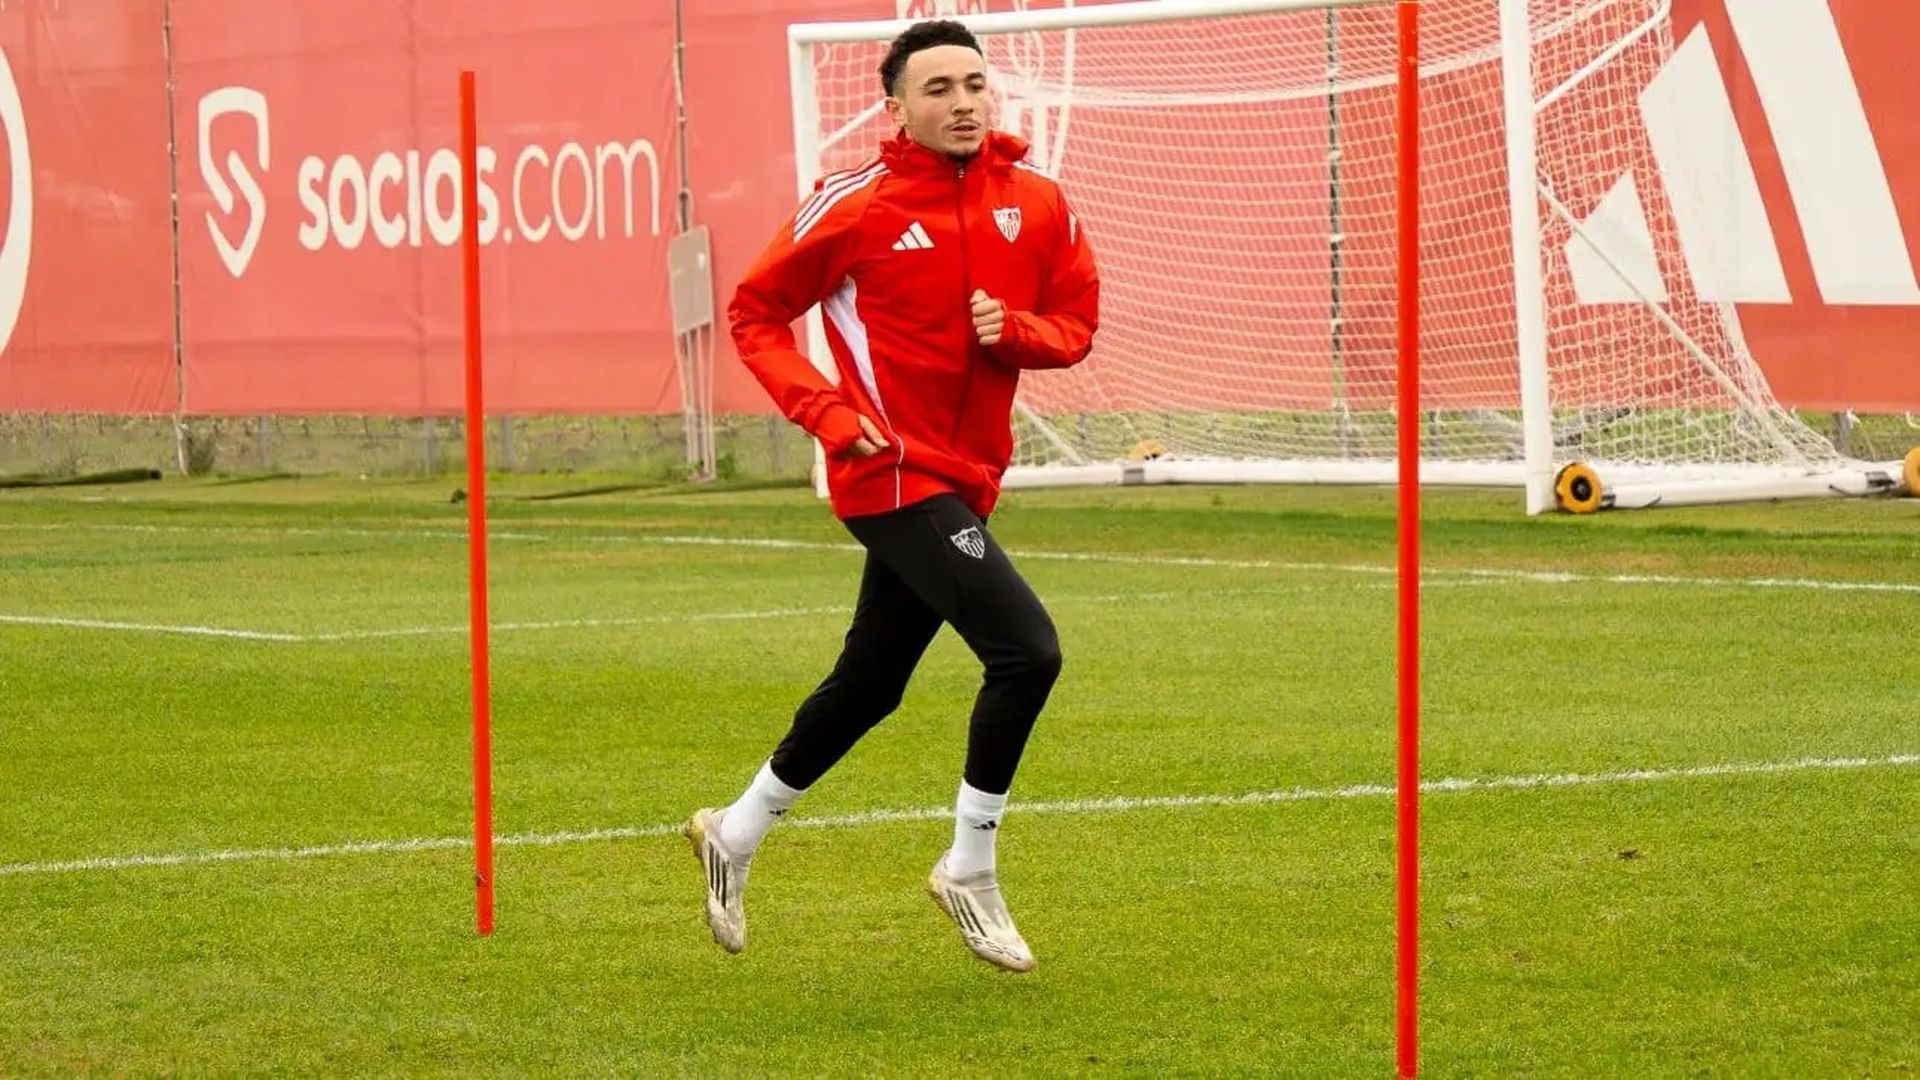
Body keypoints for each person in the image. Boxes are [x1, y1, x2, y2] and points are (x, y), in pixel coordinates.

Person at [687, 18, 1098, 974]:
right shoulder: (855, 202)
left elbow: (1076, 322)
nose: (961, 103)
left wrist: (1017, 331)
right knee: (1027, 651)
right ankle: (970, 866)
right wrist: (826, 413)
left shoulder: (1036, 202)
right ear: (896, 106)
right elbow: (754, 313)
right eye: (938, 89)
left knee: (871, 683)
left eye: (973, 84)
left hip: (970, 478)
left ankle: (735, 832)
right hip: (888, 470)